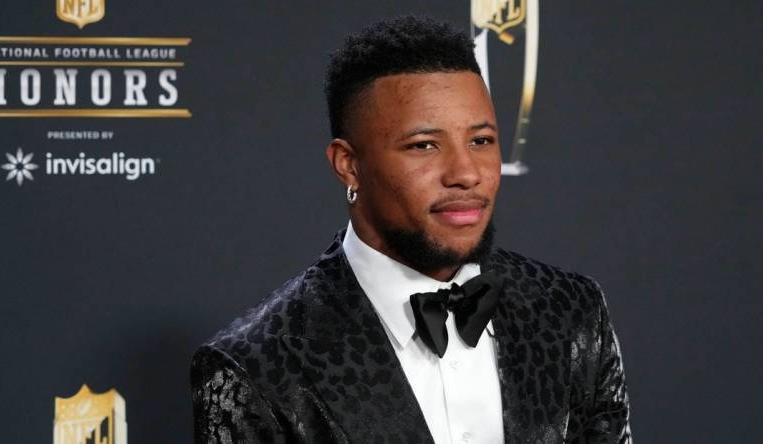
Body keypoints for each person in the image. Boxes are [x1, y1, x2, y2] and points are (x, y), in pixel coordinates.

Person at [191, 15, 632, 444]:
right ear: (349, 165)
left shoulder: (573, 312)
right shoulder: (255, 364)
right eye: (423, 146)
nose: (466, 173)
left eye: (480, 141)